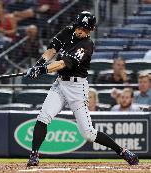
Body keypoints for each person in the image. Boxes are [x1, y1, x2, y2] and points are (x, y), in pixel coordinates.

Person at [25, 11, 139, 166]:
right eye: (79, 27)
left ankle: (121, 151)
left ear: (91, 30)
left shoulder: (87, 45)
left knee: (88, 134)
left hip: (77, 88)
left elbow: (61, 64)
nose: (81, 30)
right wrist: (38, 64)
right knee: (43, 117)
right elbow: (51, 51)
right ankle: (34, 155)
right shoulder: (67, 31)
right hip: (60, 84)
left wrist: (42, 70)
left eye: (85, 29)